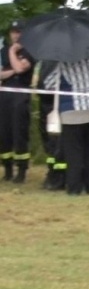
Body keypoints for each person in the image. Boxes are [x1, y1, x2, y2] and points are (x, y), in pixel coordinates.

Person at [43, 53, 89, 195]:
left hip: (73, 112)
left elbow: (49, 84)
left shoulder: (64, 62)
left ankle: (74, 188)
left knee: (74, 153)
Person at [0, 21, 34, 183]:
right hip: (5, 95)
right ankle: (7, 169)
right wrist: (13, 69)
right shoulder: (3, 51)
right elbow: (2, 74)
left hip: (21, 95)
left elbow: (21, 69)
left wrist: (13, 54)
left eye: (19, 32)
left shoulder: (30, 50)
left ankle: (21, 170)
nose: (16, 35)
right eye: (13, 32)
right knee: (4, 133)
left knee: (19, 132)